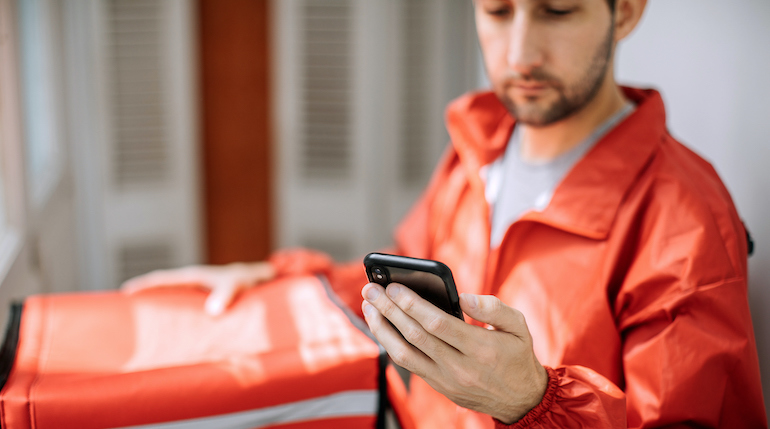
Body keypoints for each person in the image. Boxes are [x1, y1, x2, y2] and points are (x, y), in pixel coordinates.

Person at [124, 0, 768, 427]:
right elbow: (392, 286)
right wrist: (276, 281)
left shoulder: (686, 221)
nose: (519, 52)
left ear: (624, 10)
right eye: (497, 9)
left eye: (557, 10)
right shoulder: (475, 150)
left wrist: (534, 402)